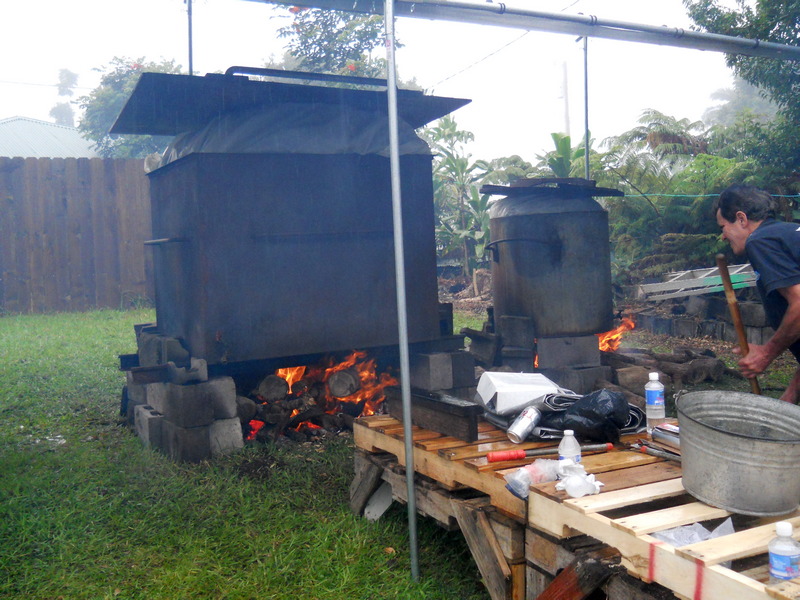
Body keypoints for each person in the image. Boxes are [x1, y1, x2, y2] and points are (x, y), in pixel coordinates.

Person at [714, 184, 800, 403]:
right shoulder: (787, 234)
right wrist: (790, 397)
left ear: (741, 219)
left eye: (723, 227)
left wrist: (766, 353)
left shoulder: (760, 240)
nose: (723, 236)